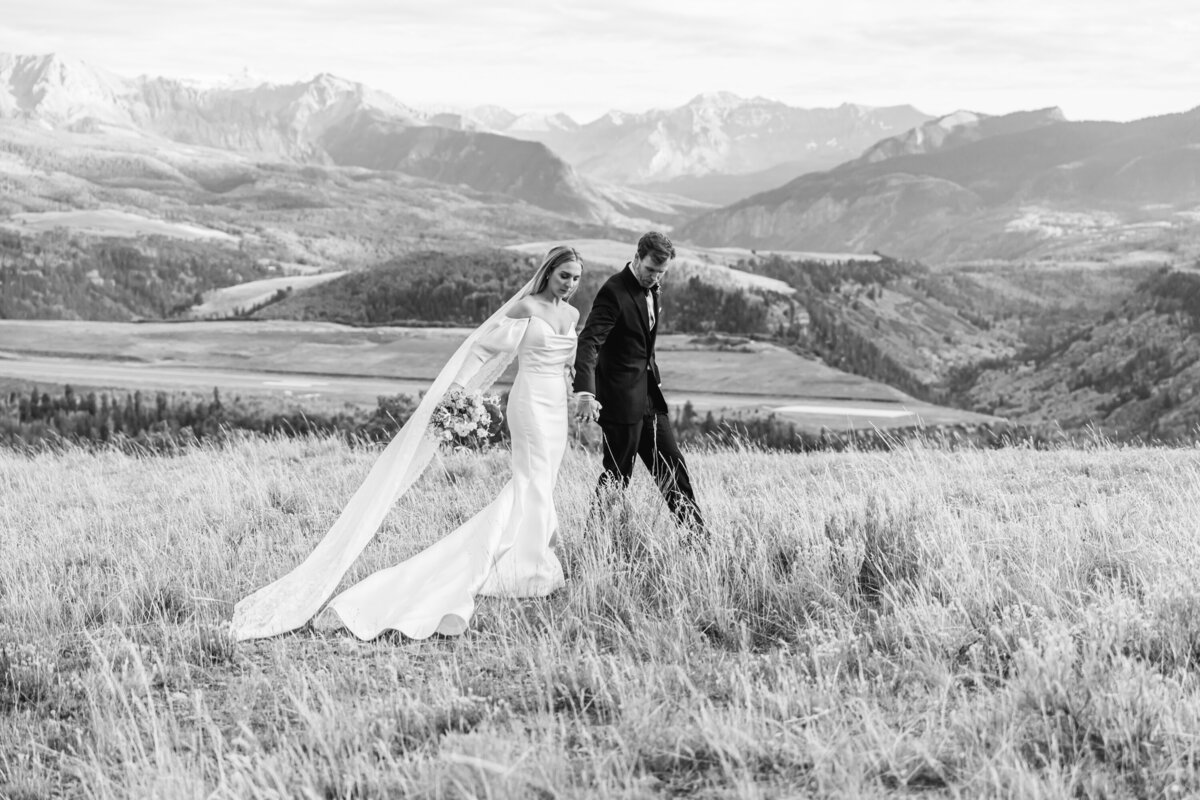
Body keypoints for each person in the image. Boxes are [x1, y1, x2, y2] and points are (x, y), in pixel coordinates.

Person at [230, 246, 583, 641]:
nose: (569, 284)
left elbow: (569, 362)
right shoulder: (525, 309)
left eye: (575, 278)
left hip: (557, 406)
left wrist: (581, 391)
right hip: (530, 404)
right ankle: (534, 570)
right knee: (531, 477)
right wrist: (458, 395)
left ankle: (525, 560)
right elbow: (482, 349)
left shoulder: (572, 316)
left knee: (544, 478)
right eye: (563, 275)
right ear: (549, 272)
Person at [573, 231, 705, 535]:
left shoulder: (652, 288)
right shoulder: (613, 291)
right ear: (636, 257)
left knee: (673, 468)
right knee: (618, 475)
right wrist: (585, 392)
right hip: (619, 402)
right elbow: (589, 342)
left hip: (648, 398)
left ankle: (698, 540)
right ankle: (595, 541)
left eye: (661, 273)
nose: (654, 278)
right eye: (650, 270)